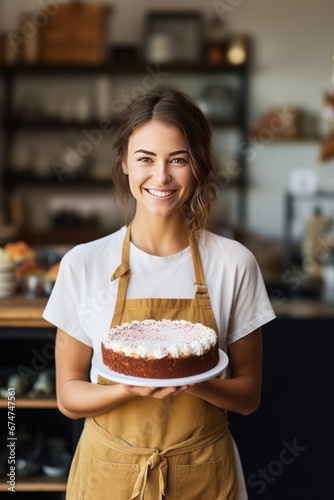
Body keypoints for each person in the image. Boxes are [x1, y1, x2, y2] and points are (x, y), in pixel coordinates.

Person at [43, 89, 276, 499]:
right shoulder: (83, 263)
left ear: (199, 166)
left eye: (179, 160)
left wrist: (190, 379)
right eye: (146, 159)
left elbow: (248, 396)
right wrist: (129, 388)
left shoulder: (234, 263)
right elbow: (68, 396)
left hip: (204, 473)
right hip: (108, 474)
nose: (161, 177)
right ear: (125, 166)